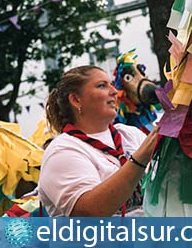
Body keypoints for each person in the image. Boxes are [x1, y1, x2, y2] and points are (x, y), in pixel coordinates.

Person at [38, 65, 158, 217]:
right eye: (102, 85)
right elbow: (89, 212)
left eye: (111, 84)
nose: (114, 91)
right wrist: (141, 158)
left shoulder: (130, 134)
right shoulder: (61, 151)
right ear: (76, 100)